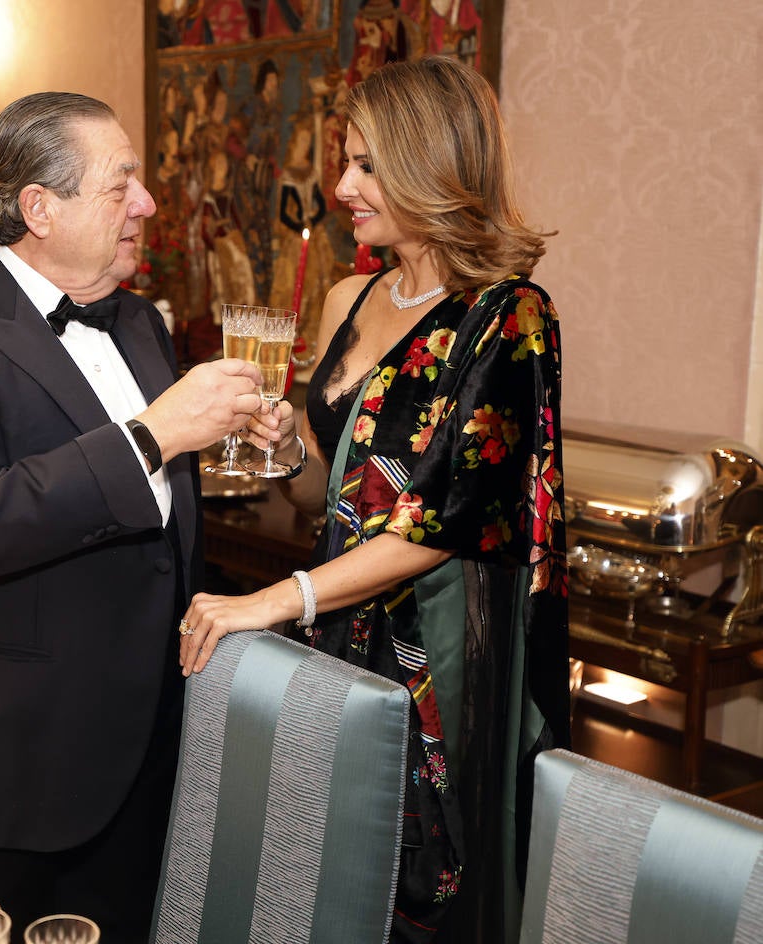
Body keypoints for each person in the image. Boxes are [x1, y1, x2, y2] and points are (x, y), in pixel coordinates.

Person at [177, 56, 569, 944]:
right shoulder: (348, 297)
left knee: (418, 885)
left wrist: (270, 602)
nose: (342, 185)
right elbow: (330, 487)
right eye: (345, 160)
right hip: (339, 615)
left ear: (432, 166)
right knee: (330, 864)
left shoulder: (510, 316)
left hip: (436, 639)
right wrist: (287, 450)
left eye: (366, 165)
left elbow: (442, 525)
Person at [0, 91, 265, 944]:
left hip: (148, 749)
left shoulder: (140, 322)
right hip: (10, 768)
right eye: (122, 185)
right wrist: (156, 434)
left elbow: (159, 520)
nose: (148, 203)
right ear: (38, 208)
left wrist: (268, 438)